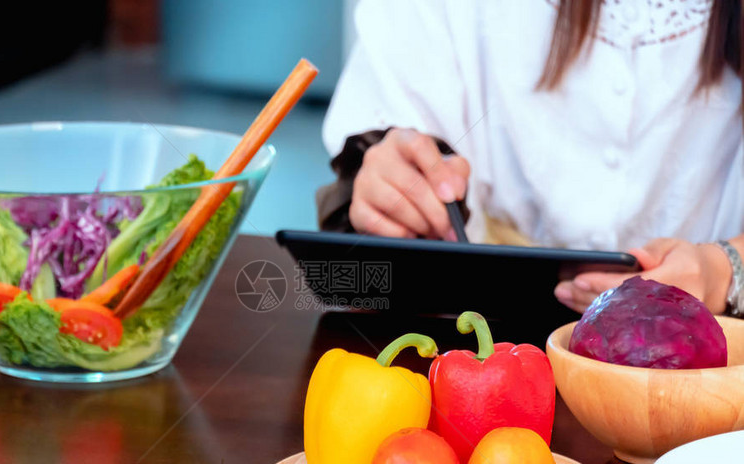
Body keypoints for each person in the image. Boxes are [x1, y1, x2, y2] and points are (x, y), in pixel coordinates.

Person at [317, 0, 743, 315]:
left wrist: (725, 268)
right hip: (482, 336)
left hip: (716, 358)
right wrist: (389, 184)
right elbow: (389, 118)